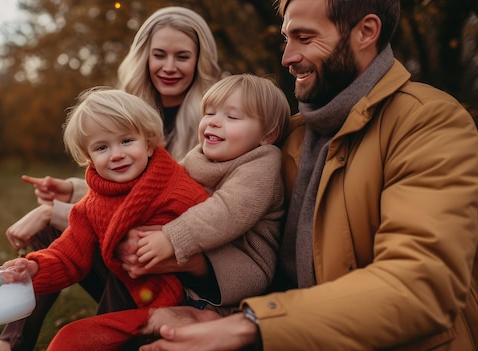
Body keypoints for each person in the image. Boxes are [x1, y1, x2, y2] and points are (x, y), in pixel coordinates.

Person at [137, 0, 478, 350]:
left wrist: (251, 326)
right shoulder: (289, 137)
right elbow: (211, 201)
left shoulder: (428, 122)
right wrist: (214, 315)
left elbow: (422, 287)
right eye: (287, 38)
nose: (287, 57)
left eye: (304, 37)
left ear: (366, 32)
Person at [0, 7, 223, 351]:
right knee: (78, 244)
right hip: (132, 269)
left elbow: (211, 214)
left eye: (182, 56)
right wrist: (70, 191)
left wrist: (50, 210)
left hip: (179, 275)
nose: (169, 66)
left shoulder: (214, 120)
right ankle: (10, 345)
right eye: (159, 55)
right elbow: (111, 197)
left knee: (116, 243)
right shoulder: (124, 106)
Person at [2, 87, 210, 350]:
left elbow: (215, 237)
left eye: (126, 141)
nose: (116, 154)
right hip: (137, 303)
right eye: (102, 147)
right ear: (89, 158)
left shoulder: (177, 189)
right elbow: (68, 256)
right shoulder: (91, 206)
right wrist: (34, 269)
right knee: (67, 341)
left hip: (191, 303)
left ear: (148, 145)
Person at [134, 74, 289, 316]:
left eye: (232, 116)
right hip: (200, 252)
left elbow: (226, 210)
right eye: (209, 113)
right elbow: (159, 183)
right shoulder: (200, 157)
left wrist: (173, 238)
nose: (214, 122)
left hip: (241, 267)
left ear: (267, 135)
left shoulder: (262, 165)